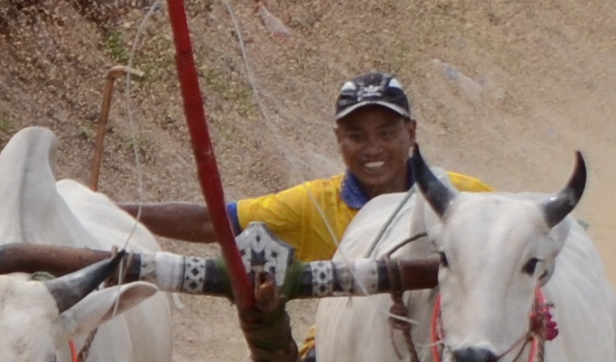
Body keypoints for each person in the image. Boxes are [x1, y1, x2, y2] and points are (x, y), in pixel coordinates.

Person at [119, 72, 492, 267]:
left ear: (411, 132)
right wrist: (111, 210)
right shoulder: (313, 204)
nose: (373, 149)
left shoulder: (461, 195)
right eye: (357, 136)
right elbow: (211, 223)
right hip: (345, 348)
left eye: (386, 133)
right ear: (338, 140)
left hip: (447, 345)